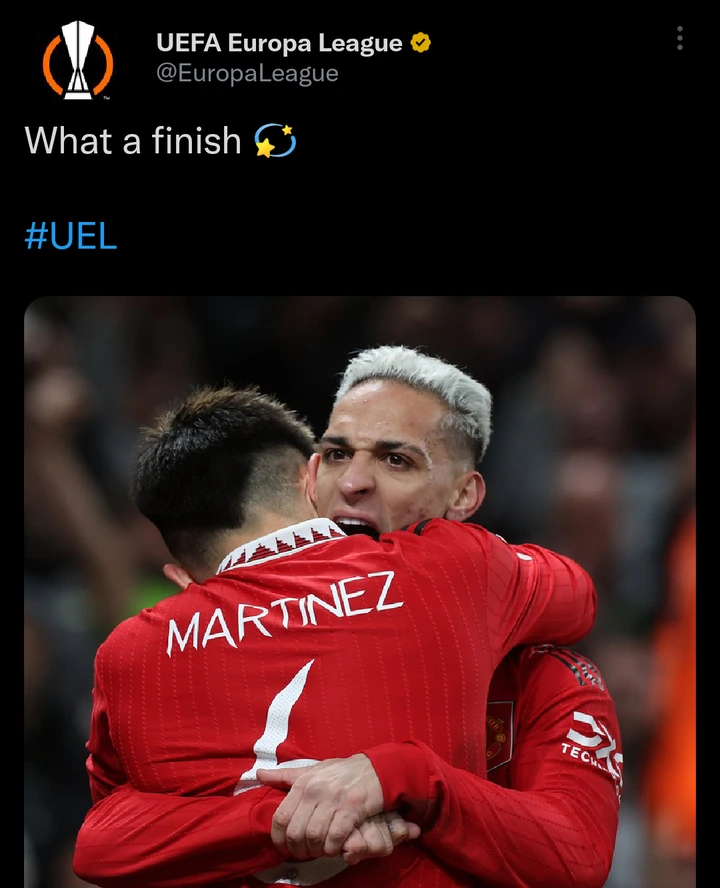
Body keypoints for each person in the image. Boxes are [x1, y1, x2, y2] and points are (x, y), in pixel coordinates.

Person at [72, 375, 597, 888]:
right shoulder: (453, 567)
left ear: (463, 496)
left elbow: (577, 856)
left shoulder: (131, 651)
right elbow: (102, 842)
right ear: (309, 480)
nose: (353, 484)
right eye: (338, 455)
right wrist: (301, 815)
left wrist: (401, 776)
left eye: (397, 460)